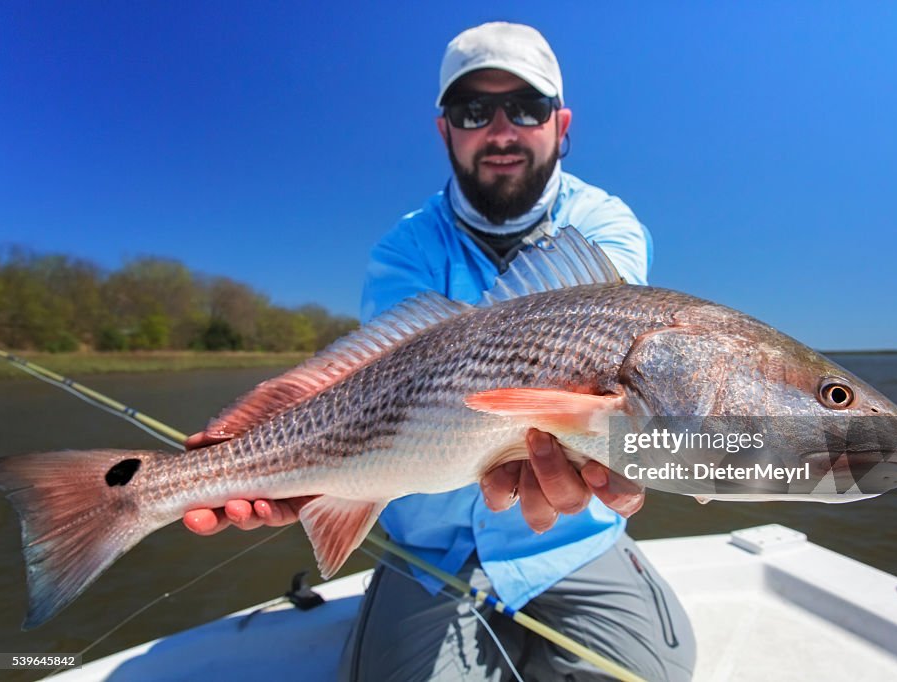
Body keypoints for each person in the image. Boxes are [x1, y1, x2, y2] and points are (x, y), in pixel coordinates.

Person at [184, 22, 696, 681]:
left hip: (572, 538)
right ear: (445, 129)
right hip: (428, 550)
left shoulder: (604, 224)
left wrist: (643, 451)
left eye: (528, 107)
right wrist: (286, 447)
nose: (502, 130)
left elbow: (612, 343)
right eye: (474, 110)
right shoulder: (405, 247)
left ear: (561, 123)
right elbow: (372, 386)